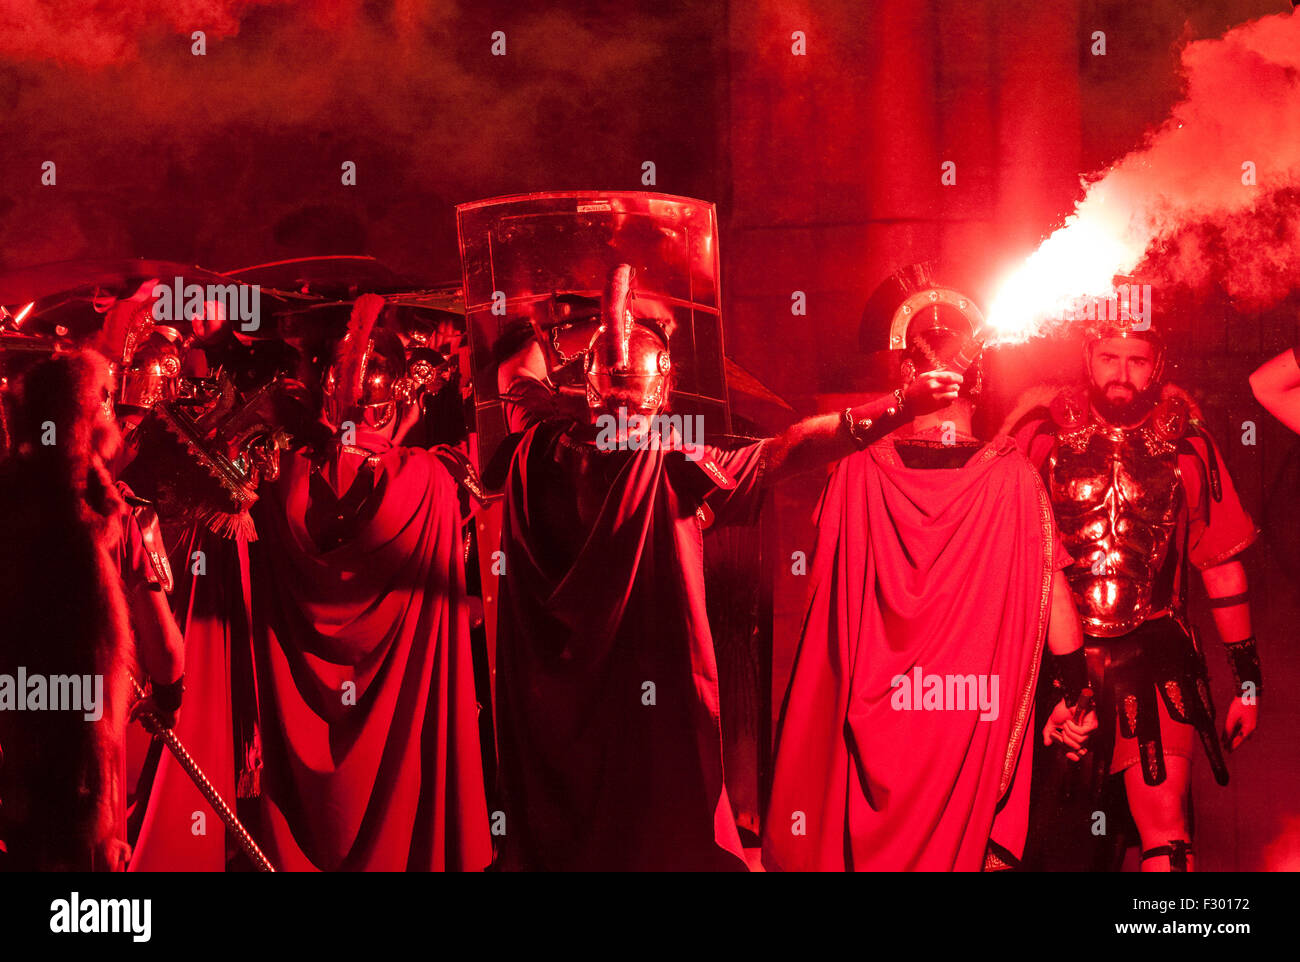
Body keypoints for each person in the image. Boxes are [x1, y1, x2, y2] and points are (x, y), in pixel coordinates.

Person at [491, 263, 962, 870]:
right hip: (647, 723)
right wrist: (899, 405)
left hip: (552, 723)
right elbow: (788, 450)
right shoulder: (671, 467)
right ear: (662, 395)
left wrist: (552, 322)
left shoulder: (537, 448)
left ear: (587, 387)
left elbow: (516, 377)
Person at [763, 297, 1095, 871]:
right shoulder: (1015, 482)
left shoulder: (855, 471)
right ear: (980, 383)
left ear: (906, 378)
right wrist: (1073, 695)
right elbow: (1054, 595)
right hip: (966, 726)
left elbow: (827, 596)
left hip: (867, 720)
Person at [238, 294, 492, 871]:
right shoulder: (427, 481)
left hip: (294, 758)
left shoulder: (275, 483)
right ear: (398, 397)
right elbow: (490, 459)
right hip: (404, 750)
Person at [1014, 311, 1260, 872]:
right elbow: (1007, 558)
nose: (1121, 374)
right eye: (1109, 358)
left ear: (1157, 368)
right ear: (1087, 359)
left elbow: (1221, 566)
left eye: (1137, 361)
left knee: (1168, 836)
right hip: (1050, 659)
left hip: (1156, 656)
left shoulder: (1190, 448)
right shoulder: (1038, 437)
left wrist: (1247, 683)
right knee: (1049, 846)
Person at [0, 350, 183, 871]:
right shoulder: (120, 518)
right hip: (91, 780)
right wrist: (168, 698)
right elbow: (167, 655)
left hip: (16, 762)